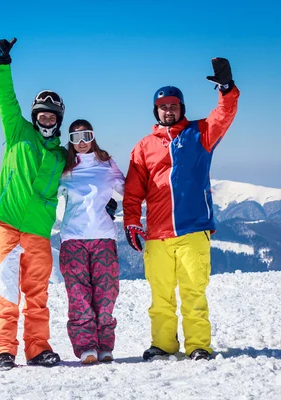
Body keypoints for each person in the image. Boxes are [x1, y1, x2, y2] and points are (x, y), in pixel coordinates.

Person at [123, 58, 240, 361]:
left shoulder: (200, 133)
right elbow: (133, 192)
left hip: (193, 228)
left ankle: (198, 345)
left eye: (174, 105)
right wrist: (132, 223)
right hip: (156, 235)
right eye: (163, 106)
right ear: (156, 111)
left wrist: (226, 89)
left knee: (193, 293)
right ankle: (163, 344)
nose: (169, 110)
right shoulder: (143, 146)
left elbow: (224, 115)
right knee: (160, 297)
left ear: (181, 108)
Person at [0, 37, 68, 371]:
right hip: (7, 225)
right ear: (34, 117)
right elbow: (6, 100)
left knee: (37, 295)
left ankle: (37, 349)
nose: (47, 120)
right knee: (7, 292)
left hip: (38, 232)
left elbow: (87, 178)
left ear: (58, 120)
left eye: (52, 117)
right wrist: (3, 65)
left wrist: (108, 202)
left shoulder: (63, 155)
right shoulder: (18, 131)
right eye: (42, 116)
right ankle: (4, 350)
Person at [58, 119, 126, 365]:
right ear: (70, 141)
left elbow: (128, 190)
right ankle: (87, 346)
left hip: (103, 237)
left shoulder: (106, 164)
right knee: (79, 295)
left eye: (86, 135)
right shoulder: (64, 168)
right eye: (76, 138)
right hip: (73, 238)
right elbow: (45, 196)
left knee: (106, 293)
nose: (82, 142)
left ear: (93, 136)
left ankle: (105, 345)